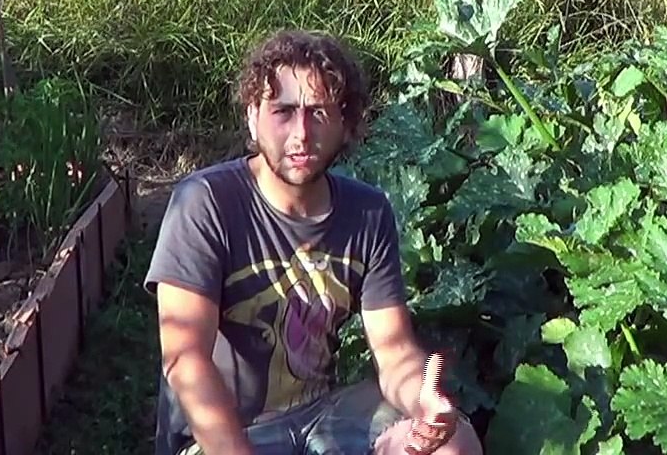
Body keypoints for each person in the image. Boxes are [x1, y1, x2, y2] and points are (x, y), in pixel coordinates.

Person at [143, 29, 483, 455]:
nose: (301, 134)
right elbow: (185, 360)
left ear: (345, 123)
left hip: (320, 417)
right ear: (252, 116)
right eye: (283, 111)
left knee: (455, 444)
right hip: (222, 436)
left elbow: (394, 351)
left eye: (318, 112)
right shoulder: (205, 203)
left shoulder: (367, 213)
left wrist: (423, 402)